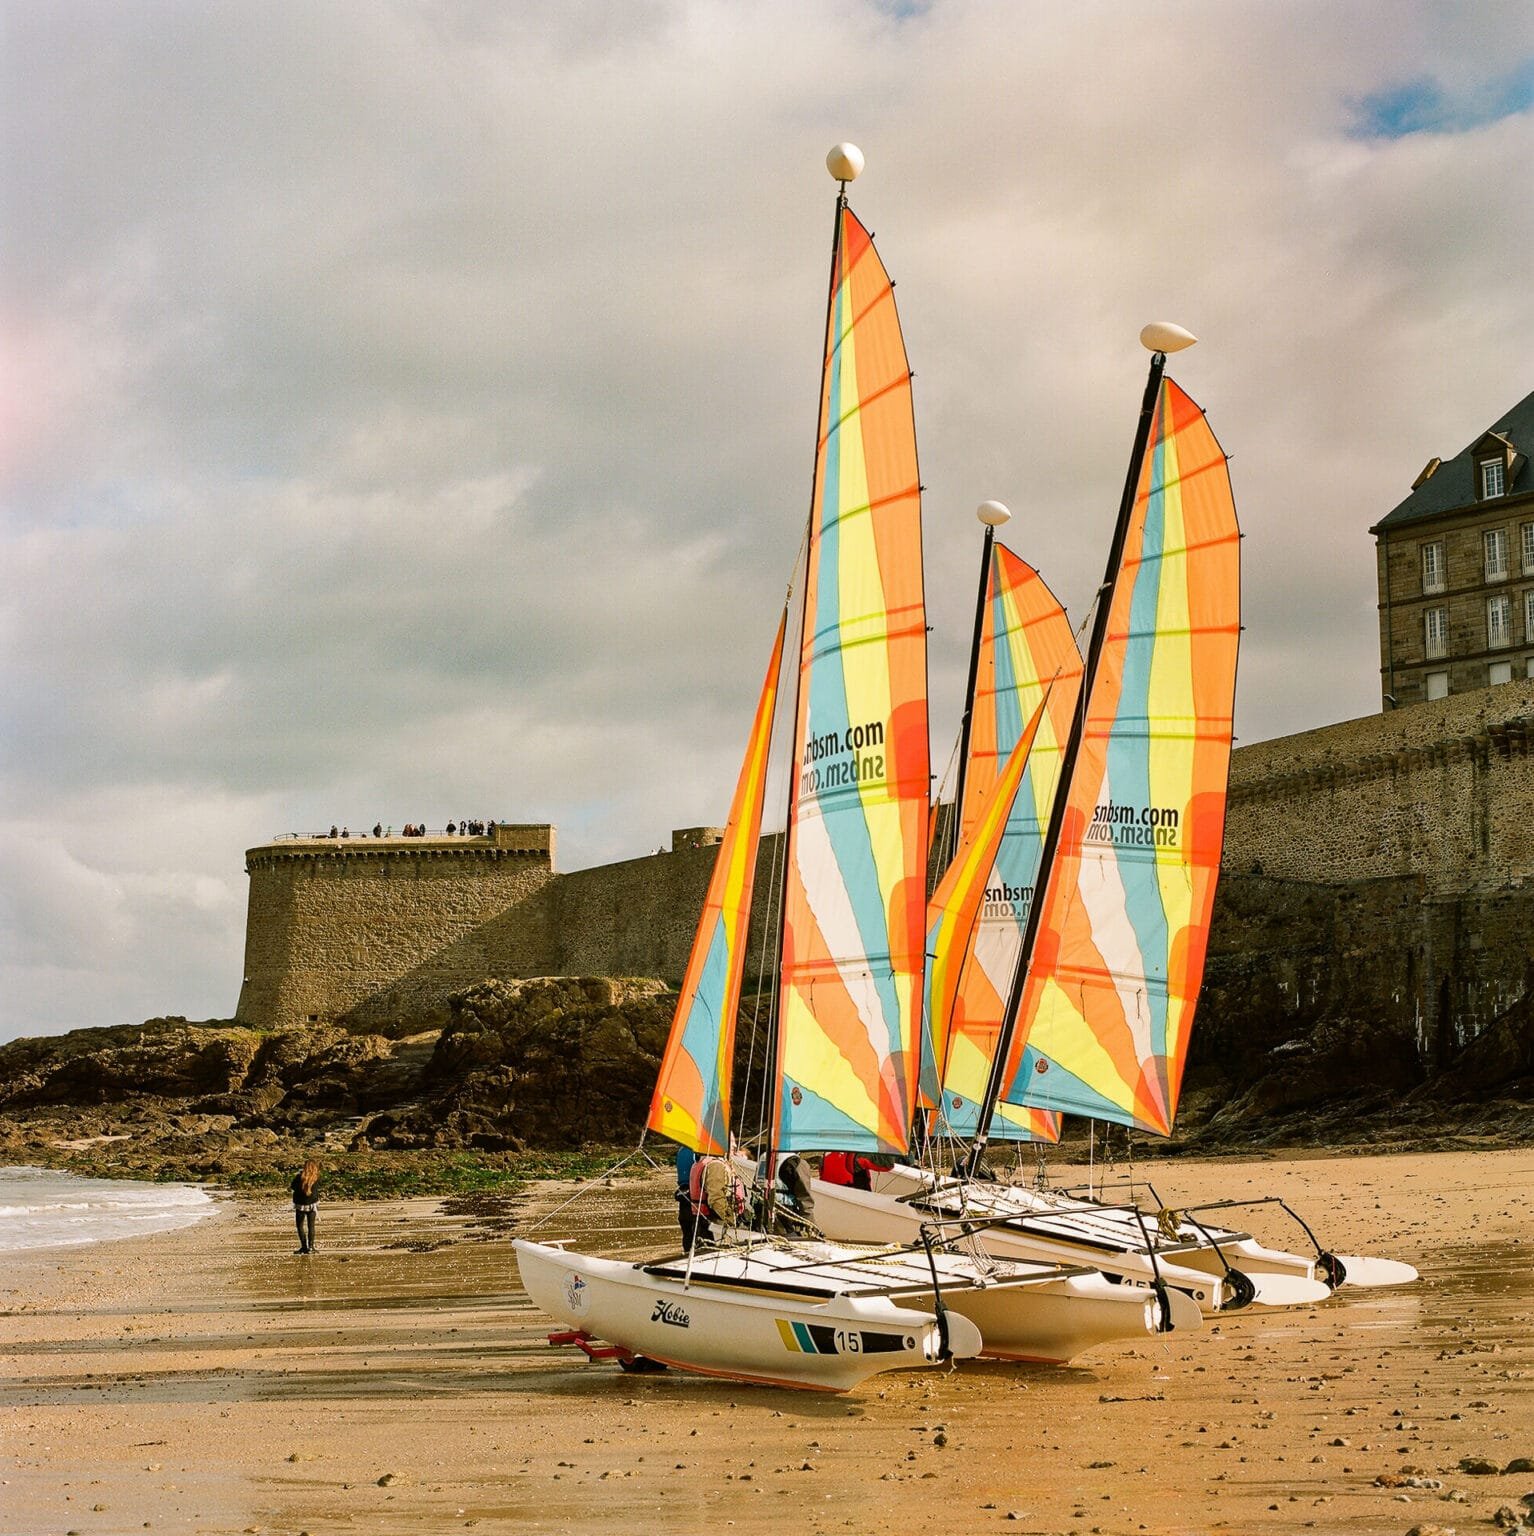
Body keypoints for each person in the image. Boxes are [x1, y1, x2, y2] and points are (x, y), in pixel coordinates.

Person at [291, 1159, 320, 1254]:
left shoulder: (299, 1177)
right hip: (312, 1205)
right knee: (311, 1226)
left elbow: (292, 1186)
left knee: (300, 1226)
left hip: (300, 1205)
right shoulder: (316, 1178)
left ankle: (304, 1247)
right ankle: (311, 1247)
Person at [675, 1146, 699, 1251]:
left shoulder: (681, 1151)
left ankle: (687, 1253)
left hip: (683, 1196)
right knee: (696, 1234)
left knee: (687, 1235)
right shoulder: (697, 1152)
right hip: (693, 1198)